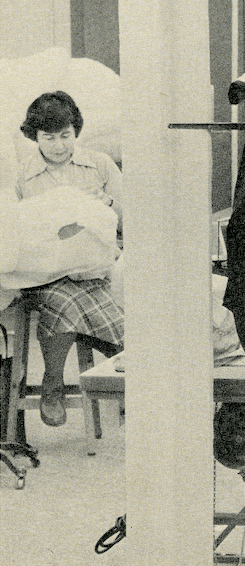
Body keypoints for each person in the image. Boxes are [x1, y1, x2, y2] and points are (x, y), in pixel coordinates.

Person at [15, 91, 123, 427]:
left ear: (76, 131)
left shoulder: (100, 164)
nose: (59, 146)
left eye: (65, 135)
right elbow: (15, 232)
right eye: (48, 138)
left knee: (93, 305)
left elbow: (134, 216)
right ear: (35, 137)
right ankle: (53, 384)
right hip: (45, 275)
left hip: (96, 271)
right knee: (63, 299)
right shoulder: (22, 175)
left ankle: (56, 383)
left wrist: (106, 203)